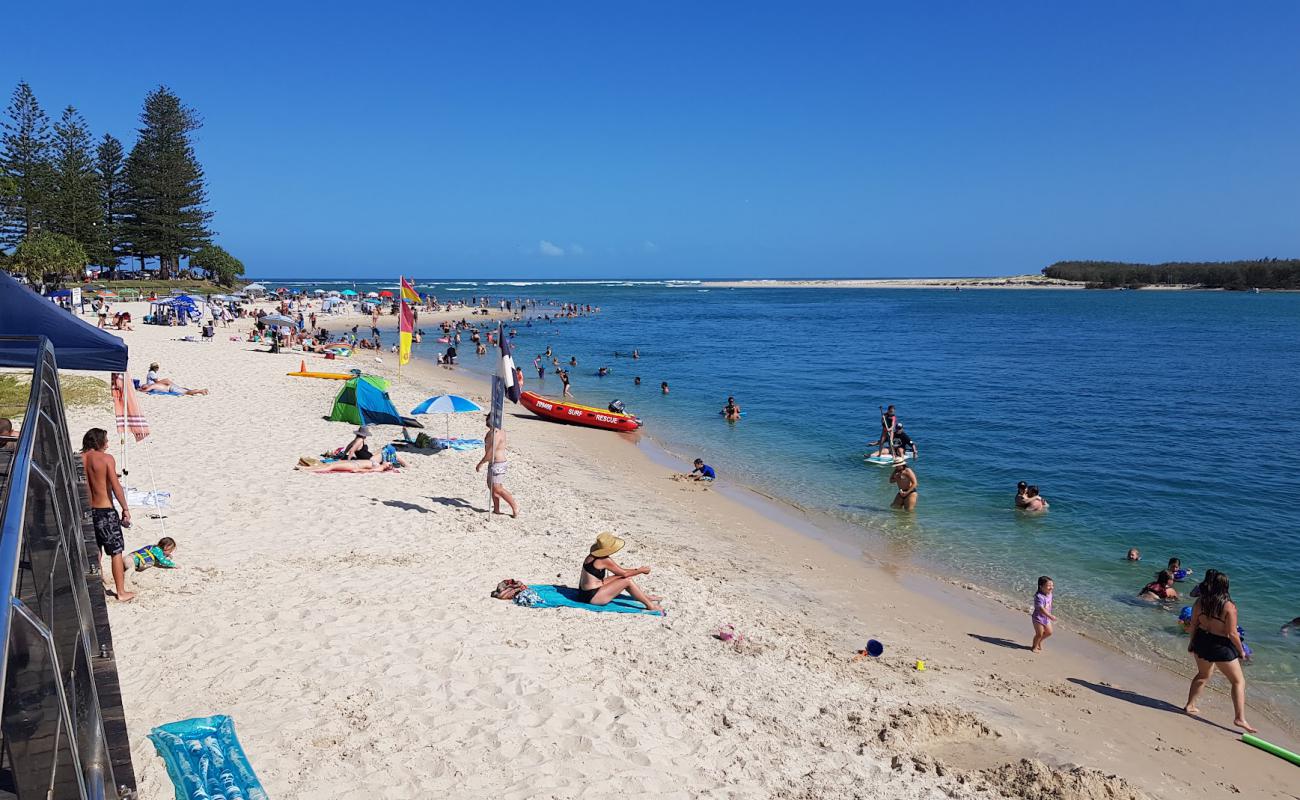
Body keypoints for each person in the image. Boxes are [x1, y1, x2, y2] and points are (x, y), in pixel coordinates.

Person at [1184, 571, 1255, 732]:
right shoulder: (1229, 607)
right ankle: (1239, 718)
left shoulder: (1200, 602)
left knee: (1203, 675)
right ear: (1225, 587)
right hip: (1221, 646)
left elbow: (1193, 624)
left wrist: (1191, 643)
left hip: (1201, 640)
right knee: (1238, 681)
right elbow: (1232, 633)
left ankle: (1190, 705)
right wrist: (1241, 651)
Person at [81, 428, 135, 602]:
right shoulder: (106, 459)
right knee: (116, 551)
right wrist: (125, 508)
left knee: (95, 550)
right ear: (99, 442)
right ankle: (121, 592)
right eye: (106, 440)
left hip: (87, 511)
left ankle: (97, 584)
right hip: (105, 511)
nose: (108, 443)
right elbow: (116, 487)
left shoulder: (78, 459)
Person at [576, 532, 663, 612]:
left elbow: (620, 572)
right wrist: (641, 571)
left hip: (583, 593)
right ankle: (650, 606)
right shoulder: (604, 560)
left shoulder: (590, 556)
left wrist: (637, 570)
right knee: (627, 580)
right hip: (592, 597)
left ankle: (644, 597)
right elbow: (625, 573)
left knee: (619, 577)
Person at [476, 416, 519, 518]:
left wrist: (481, 463)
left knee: (497, 488)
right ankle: (496, 508)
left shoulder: (497, 433)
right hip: (493, 463)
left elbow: (491, 452)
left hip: (498, 463)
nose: (486, 420)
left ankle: (515, 506)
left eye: (488, 418)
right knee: (491, 486)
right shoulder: (493, 431)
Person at [140, 362, 208, 395]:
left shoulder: (152, 385)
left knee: (186, 392)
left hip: (170, 388)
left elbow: (145, 390)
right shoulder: (152, 379)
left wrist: (139, 389)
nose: (145, 385)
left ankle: (200, 391)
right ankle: (200, 391)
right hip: (170, 387)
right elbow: (147, 389)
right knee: (185, 391)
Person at [1030, 576, 1056, 653]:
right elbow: (1041, 608)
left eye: (1052, 585)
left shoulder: (1049, 594)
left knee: (1049, 632)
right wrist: (1050, 616)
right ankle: (1034, 647)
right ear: (1041, 586)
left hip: (1046, 618)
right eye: (1049, 586)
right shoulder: (1039, 596)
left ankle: (1039, 642)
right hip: (1038, 618)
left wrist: (1049, 615)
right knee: (1039, 634)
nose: (1051, 587)